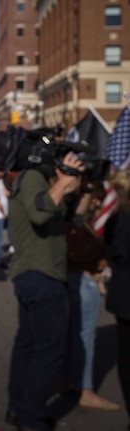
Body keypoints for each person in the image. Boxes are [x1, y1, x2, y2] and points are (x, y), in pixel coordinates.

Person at [6, 149, 85, 431]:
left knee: (28, 346)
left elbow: (73, 216)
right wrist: (64, 181)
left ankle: (18, 408)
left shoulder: (42, 183)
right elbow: (40, 214)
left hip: (38, 274)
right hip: (41, 276)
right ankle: (30, 417)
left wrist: (78, 185)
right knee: (48, 353)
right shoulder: (32, 178)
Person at [63, 181, 119, 410]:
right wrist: (99, 263)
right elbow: (80, 252)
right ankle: (84, 388)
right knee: (84, 338)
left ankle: (68, 380)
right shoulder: (77, 224)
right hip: (84, 279)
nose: (97, 204)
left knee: (73, 335)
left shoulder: (78, 222)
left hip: (79, 279)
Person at [104, 169, 130, 420]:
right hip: (124, 296)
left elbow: (110, 253)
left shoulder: (116, 219)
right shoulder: (118, 219)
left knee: (126, 357)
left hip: (122, 297)